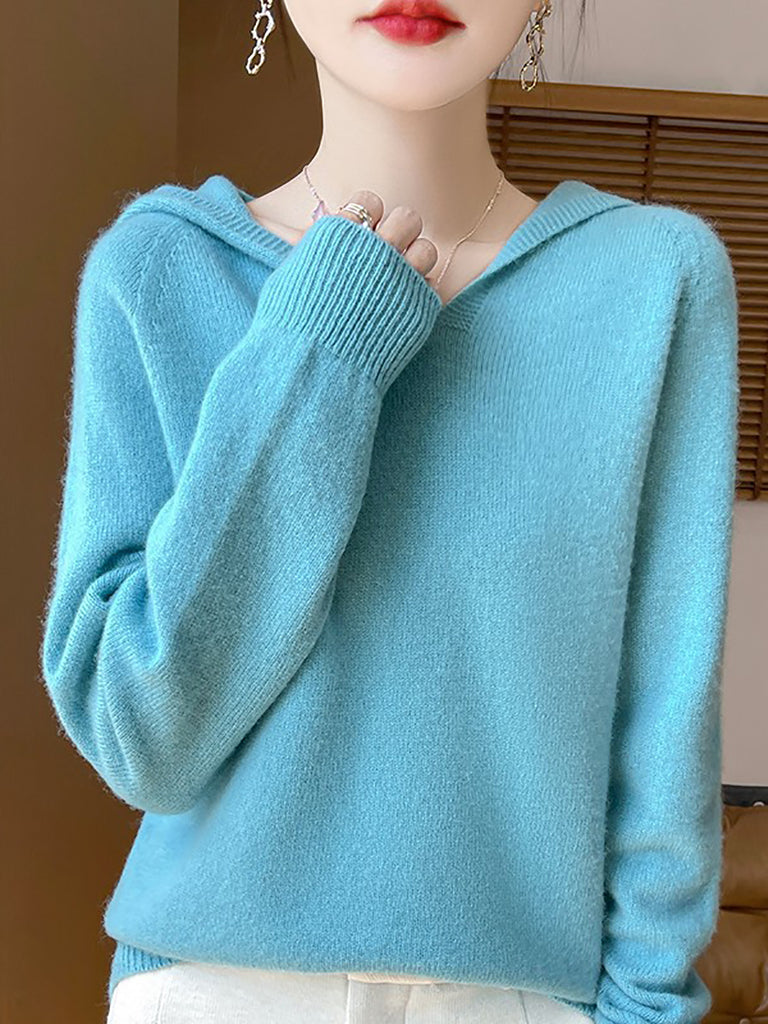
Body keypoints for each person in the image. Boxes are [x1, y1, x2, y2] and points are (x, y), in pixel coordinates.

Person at [39, 0, 740, 1021]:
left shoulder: (654, 282)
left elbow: (665, 718)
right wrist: (318, 349)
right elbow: (142, 736)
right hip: (214, 991)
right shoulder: (157, 269)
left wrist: (648, 1008)